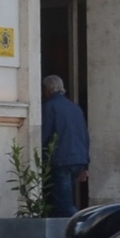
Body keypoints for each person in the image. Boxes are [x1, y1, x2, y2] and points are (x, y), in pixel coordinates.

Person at [40, 75, 90, 217]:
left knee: (63, 205)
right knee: (66, 201)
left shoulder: (49, 107)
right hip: (78, 160)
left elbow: (44, 135)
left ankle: (84, 226)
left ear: (48, 89)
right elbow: (85, 136)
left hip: (60, 160)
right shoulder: (75, 108)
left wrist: (39, 159)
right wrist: (85, 164)